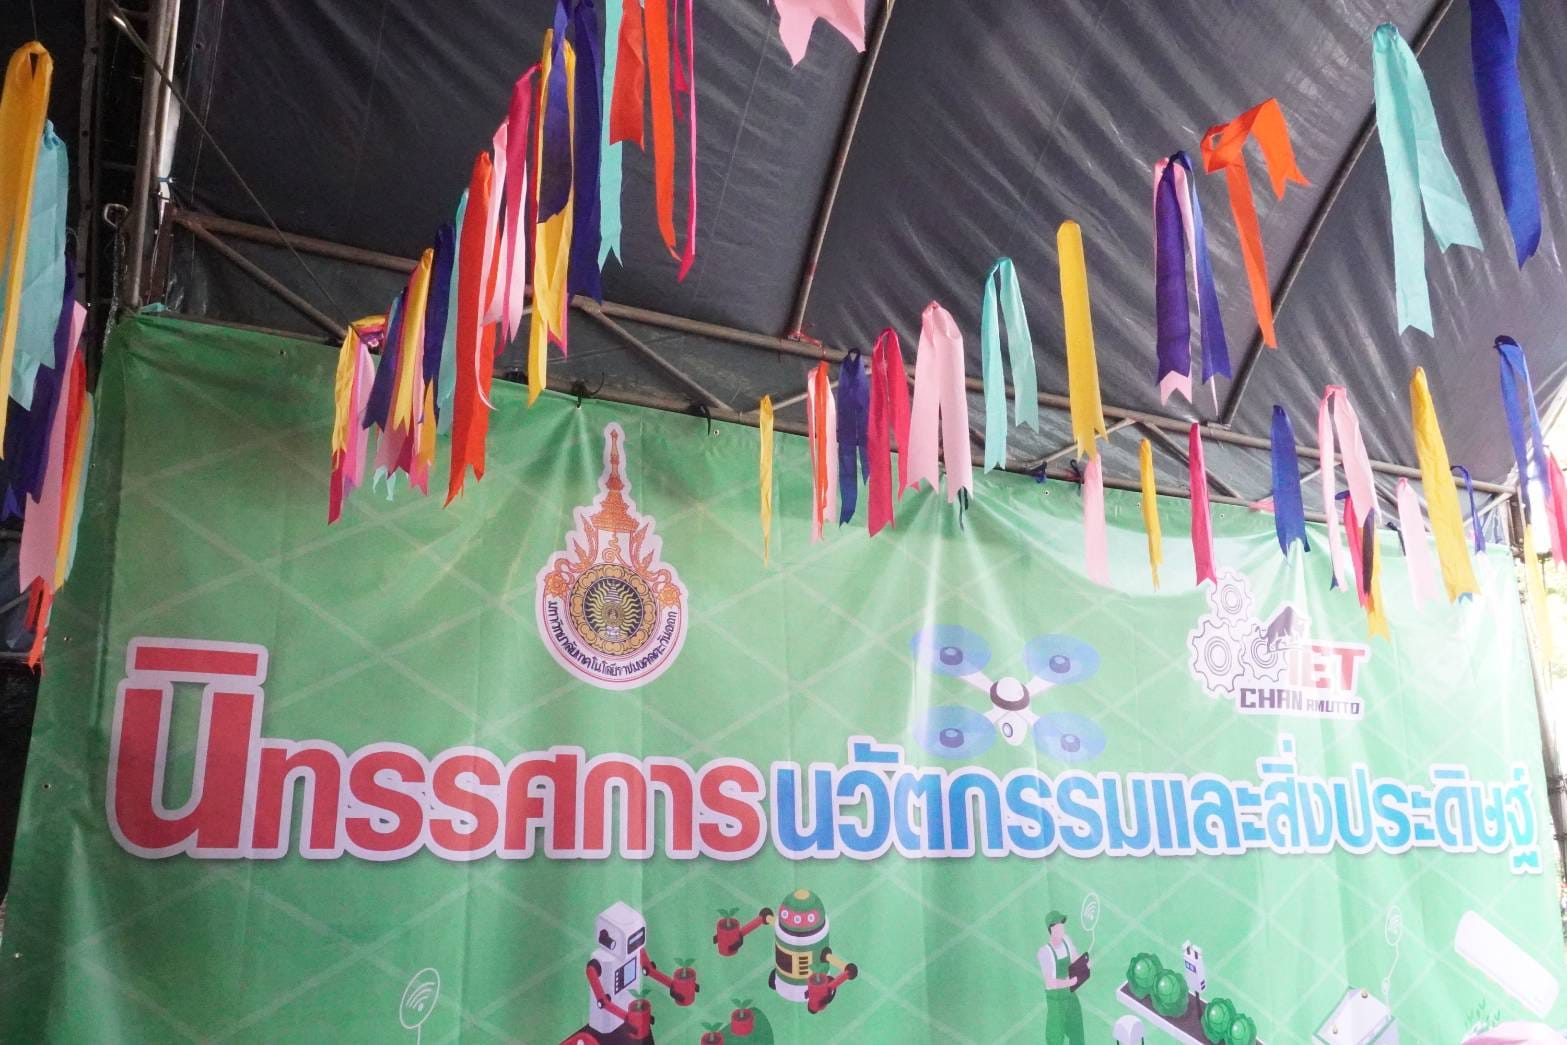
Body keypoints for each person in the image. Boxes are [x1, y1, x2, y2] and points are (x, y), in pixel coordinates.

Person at [1037, 910, 1086, 1045]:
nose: (1061, 928)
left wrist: (1084, 963)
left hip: (1070, 996)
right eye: (1058, 925)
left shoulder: (1067, 941)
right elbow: (1050, 982)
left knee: (1077, 1033)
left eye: (1062, 924)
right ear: (1051, 929)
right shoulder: (1044, 952)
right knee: (1055, 1038)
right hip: (1056, 1001)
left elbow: (1075, 959)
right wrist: (1069, 982)